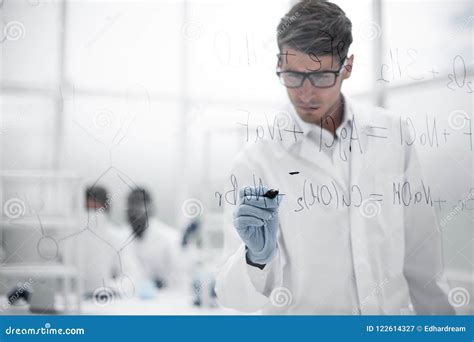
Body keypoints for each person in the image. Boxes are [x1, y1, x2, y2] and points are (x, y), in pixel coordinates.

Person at [215, 0, 455, 315]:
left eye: (321, 76)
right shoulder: (254, 162)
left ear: (348, 67)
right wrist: (255, 258)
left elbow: (422, 252)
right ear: (279, 64)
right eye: (292, 75)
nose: (305, 92)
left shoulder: (393, 135)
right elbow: (233, 297)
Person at [126, 188, 181, 289]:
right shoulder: (123, 237)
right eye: (131, 206)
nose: (133, 211)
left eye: (138, 206)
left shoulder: (169, 238)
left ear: (150, 209)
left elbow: (179, 279)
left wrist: (160, 283)